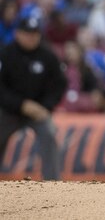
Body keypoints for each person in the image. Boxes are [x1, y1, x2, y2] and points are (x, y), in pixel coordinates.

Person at [0, 16, 68, 180]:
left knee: (49, 134)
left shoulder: (47, 56)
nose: (31, 37)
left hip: (39, 111)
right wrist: (21, 105)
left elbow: (60, 84)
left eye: (35, 34)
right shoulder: (6, 54)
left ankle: (53, 182)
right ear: (17, 34)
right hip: (9, 110)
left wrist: (46, 107)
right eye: (27, 33)